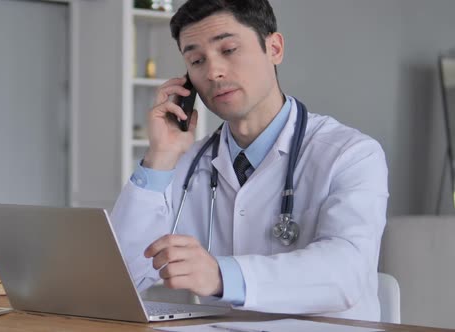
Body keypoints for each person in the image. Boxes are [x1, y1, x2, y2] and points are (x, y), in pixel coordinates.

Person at [111, 0, 388, 321]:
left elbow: (347, 272)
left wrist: (222, 275)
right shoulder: (185, 165)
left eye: (228, 50)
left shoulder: (351, 154)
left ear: (274, 48)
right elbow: (121, 276)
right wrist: (160, 155)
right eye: (197, 60)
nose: (213, 71)